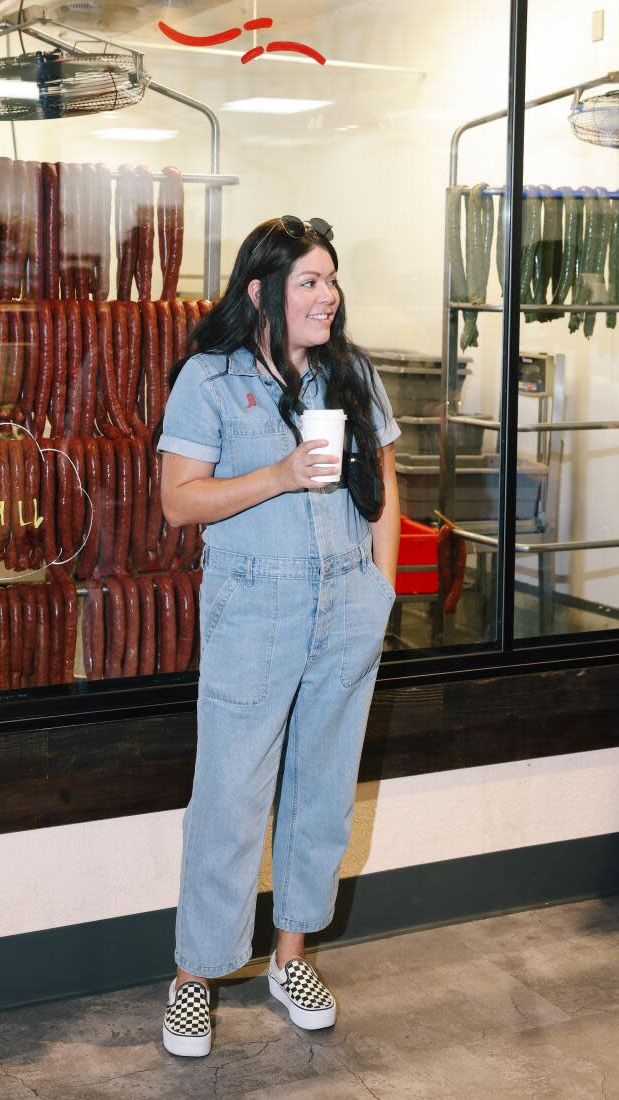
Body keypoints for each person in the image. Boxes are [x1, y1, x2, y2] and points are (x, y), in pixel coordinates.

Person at [153, 215, 401, 1057]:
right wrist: (278, 474)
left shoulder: (352, 373)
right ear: (261, 291)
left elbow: (388, 481)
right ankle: (195, 976)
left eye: (331, 280)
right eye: (309, 281)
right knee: (229, 794)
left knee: (323, 792)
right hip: (255, 607)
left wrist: (382, 588)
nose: (326, 295)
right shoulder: (210, 380)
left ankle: (290, 956)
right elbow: (179, 501)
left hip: (346, 602)